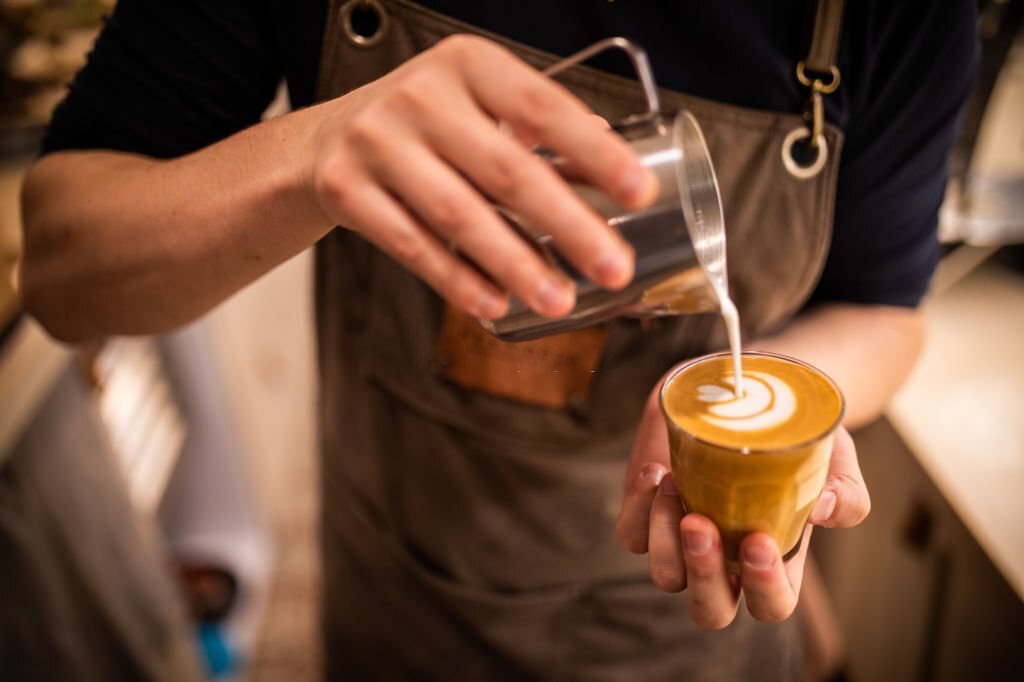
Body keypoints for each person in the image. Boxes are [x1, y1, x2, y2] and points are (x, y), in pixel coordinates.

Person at [18, 0, 977, 679]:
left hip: (682, 635)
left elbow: (885, 311)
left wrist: (783, 418)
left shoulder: (896, 20)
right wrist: (308, 158)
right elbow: (62, 278)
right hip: (393, 599)